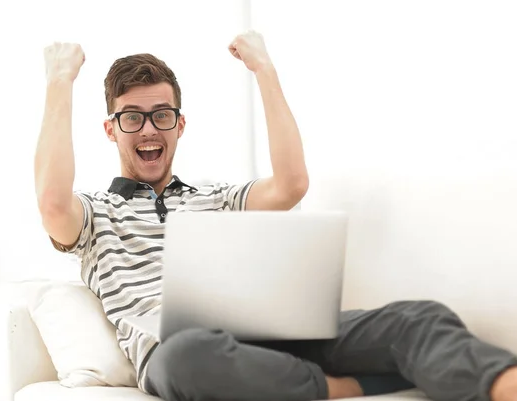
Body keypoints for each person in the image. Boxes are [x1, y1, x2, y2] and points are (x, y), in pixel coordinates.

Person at [34, 31, 517, 401]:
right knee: (188, 355)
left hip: (270, 337)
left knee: (419, 317)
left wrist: (264, 69)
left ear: (179, 125)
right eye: (131, 117)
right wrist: (60, 81)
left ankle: (501, 384)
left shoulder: (218, 196)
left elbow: (290, 186)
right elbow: (53, 203)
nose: (148, 128)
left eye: (161, 114)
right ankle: (339, 387)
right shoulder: (94, 214)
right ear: (110, 129)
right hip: (184, 355)